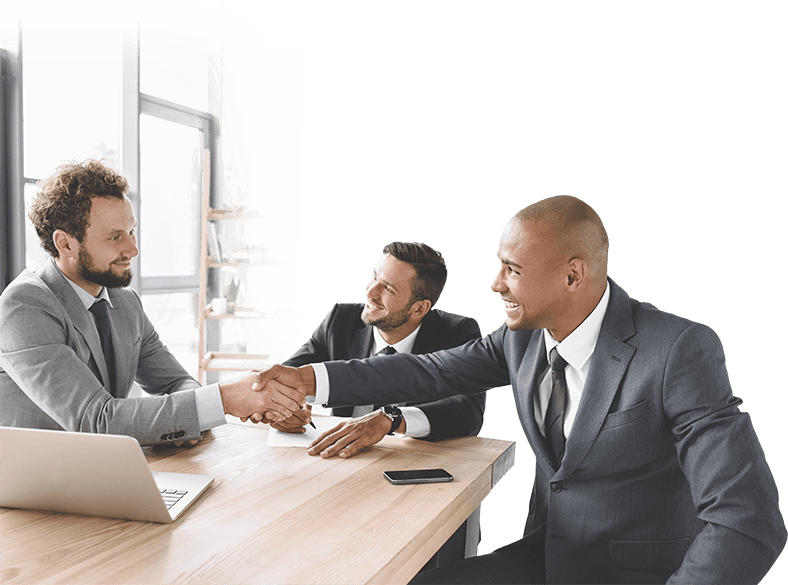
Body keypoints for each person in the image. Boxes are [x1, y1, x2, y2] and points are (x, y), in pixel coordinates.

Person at [253, 196, 786, 584]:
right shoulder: (521, 340)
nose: (495, 284)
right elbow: (429, 372)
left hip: (640, 574)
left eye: (511, 269)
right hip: (550, 559)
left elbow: (748, 521)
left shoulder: (678, 348)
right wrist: (311, 377)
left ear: (573, 276)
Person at [0, 159, 301, 447]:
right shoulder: (25, 306)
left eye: (131, 231)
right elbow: (97, 420)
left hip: (103, 474)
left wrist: (243, 400)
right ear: (65, 243)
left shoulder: (125, 302)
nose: (132, 249)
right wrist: (224, 399)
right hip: (32, 490)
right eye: (115, 237)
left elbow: (179, 384)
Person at [272, 241, 486, 459]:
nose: (370, 292)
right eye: (374, 277)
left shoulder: (457, 333)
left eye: (388, 288)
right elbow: (285, 376)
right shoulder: (340, 320)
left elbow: (468, 410)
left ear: (419, 308)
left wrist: (392, 419)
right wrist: (285, 406)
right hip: (336, 457)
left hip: (409, 460)